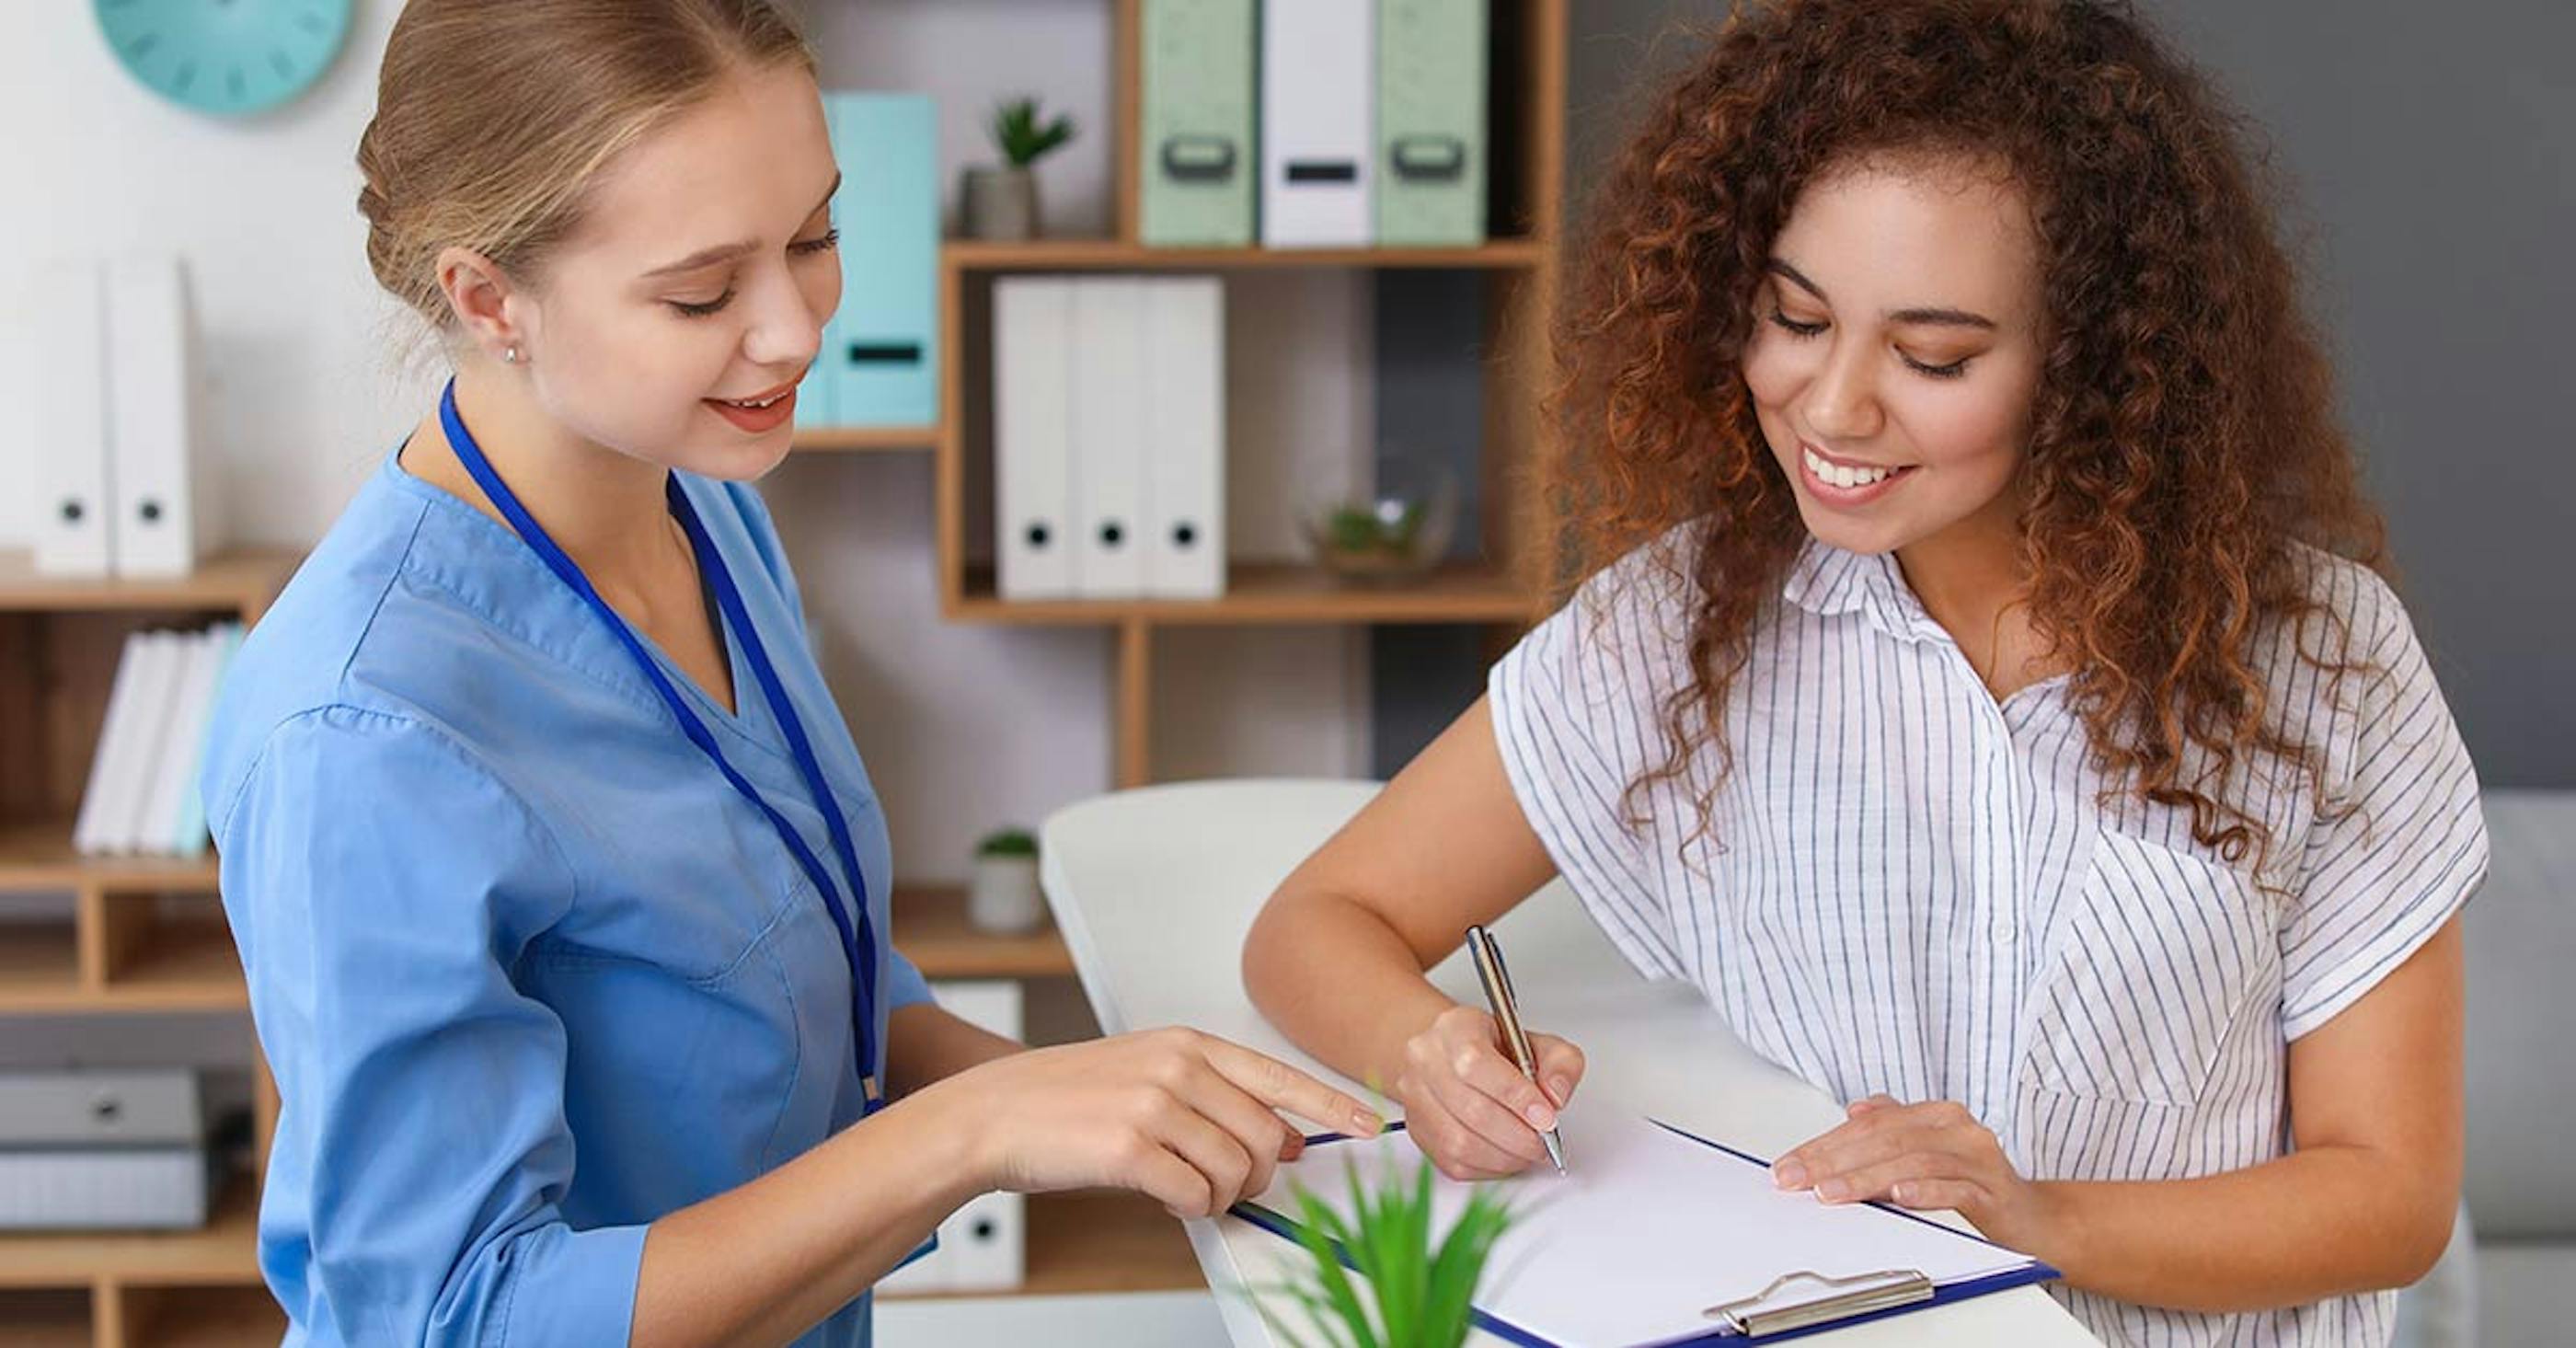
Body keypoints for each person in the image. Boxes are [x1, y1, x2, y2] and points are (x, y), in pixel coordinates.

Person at [1240, 2, 2487, 1343]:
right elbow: (1317, 921)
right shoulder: (1684, 625)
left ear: (2092, 364)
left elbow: (2389, 1196)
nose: (1833, 407)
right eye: (1795, 317)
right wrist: (1428, 1054)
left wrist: (2033, 1217)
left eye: (1933, 355)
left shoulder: (2320, 656)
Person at [203, 4, 1378, 1344]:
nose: (795, 330)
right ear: (487, 300)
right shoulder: (361, 732)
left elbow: (798, 959)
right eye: (703, 292)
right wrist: (976, 1131)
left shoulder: (705, 510)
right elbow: (462, 1318)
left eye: (814, 237)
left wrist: (1107, 1102)